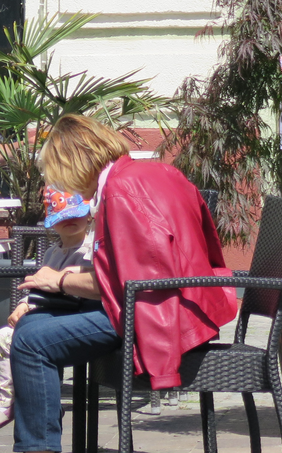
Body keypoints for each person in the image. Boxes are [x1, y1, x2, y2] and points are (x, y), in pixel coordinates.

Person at [10, 115, 237, 453]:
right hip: (179, 304)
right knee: (33, 324)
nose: (60, 182)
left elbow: (129, 282)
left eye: (57, 172)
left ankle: (36, 448)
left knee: (31, 341)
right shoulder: (154, 172)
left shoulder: (120, 190)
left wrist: (59, 280)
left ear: (74, 163)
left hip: (160, 314)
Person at [0, 188, 95, 428]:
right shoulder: (52, 253)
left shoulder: (90, 250)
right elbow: (37, 288)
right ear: (52, 224)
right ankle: (28, 398)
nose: (69, 221)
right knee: (6, 336)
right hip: (49, 314)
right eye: (61, 217)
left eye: (75, 215)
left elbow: (88, 287)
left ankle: (9, 401)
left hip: (75, 316)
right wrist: (23, 304)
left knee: (16, 339)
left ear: (89, 216)